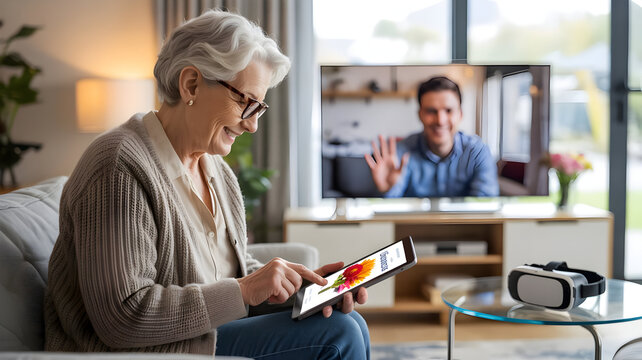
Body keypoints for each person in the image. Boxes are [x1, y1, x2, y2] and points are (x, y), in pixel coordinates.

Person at [44, 10, 370, 360]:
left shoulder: (214, 168)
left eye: (259, 108)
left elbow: (226, 272)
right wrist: (245, 291)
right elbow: (123, 317)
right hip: (146, 351)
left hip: (204, 334)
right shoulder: (118, 168)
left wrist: (298, 287)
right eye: (245, 102)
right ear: (191, 85)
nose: (252, 126)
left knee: (349, 320)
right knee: (338, 334)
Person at [365, 76, 499, 198]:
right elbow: (391, 211)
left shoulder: (477, 152)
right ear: (420, 115)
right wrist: (387, 190)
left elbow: (485, 206)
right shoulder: (401, 153)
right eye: (431, 111)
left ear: (460, 114)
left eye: (448, 111)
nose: (440, 120)